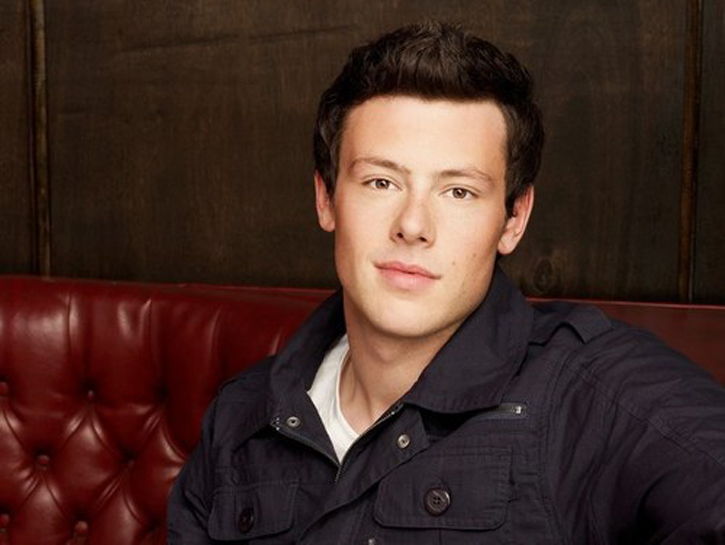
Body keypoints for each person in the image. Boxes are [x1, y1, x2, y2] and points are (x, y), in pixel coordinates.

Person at [167, 21, 725, 543]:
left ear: (513, 219)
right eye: (381, 182)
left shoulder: (593, 396)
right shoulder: (242, 416)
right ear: (326, 198)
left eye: (458, 191)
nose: (413, 225)